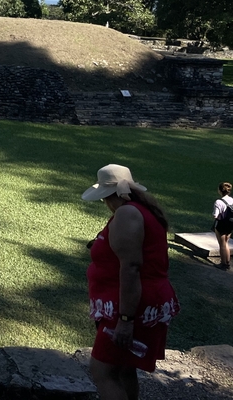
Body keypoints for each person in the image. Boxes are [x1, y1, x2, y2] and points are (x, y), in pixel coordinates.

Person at [82, 164, 179, 400]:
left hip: (128, 305)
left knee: (102, 371)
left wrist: (125, 321)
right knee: (125, 367)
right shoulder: (142, 210)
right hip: (137, 301)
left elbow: (132, 267)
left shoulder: (127, 214)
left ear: (108, 195)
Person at [212, 181, 233, 271]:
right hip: (230, 224)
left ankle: (223, 263)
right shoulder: (232, 200)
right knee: (226, 243)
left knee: (222, 244)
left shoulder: (218, 202)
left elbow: (215, 215)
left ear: (220, 191)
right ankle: (227, 262)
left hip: (221, 224)